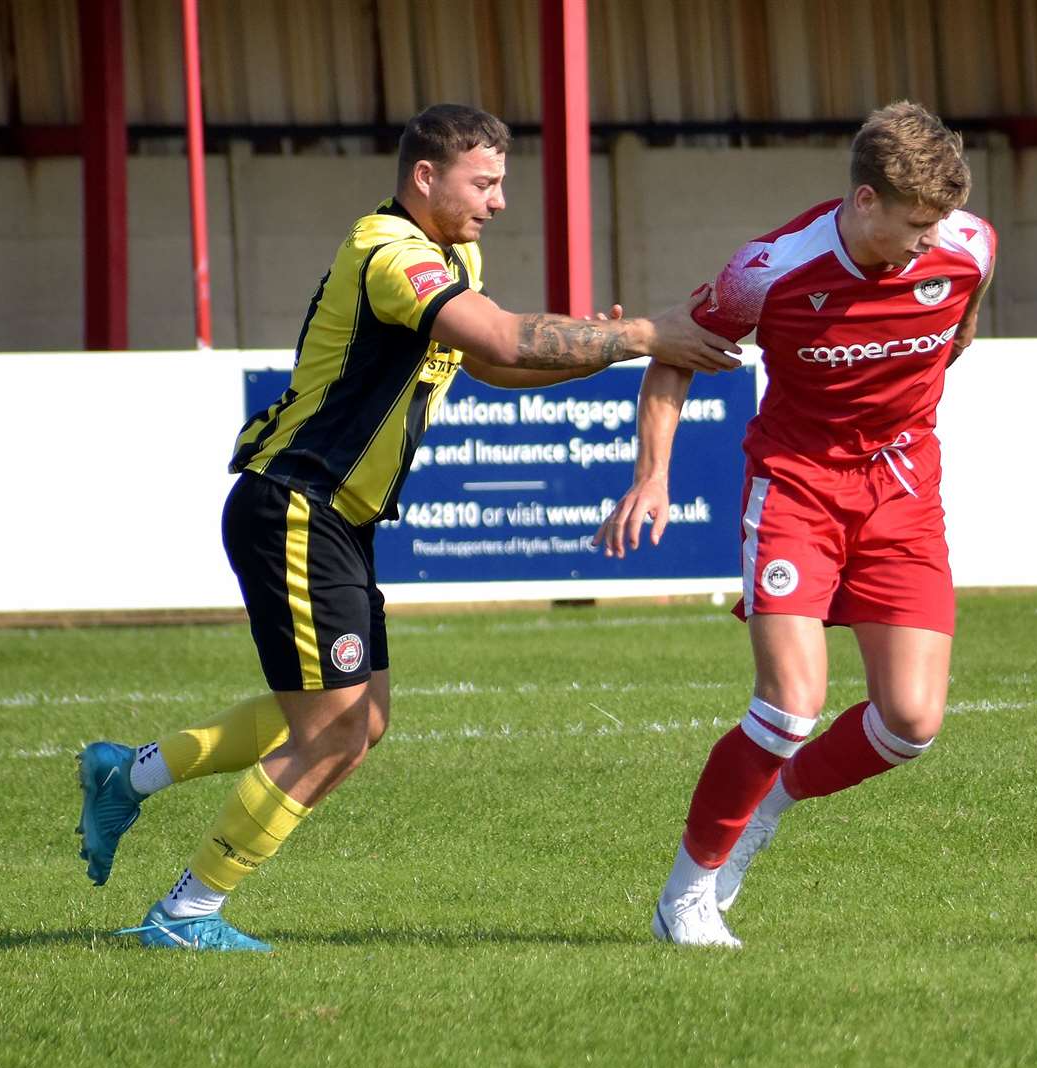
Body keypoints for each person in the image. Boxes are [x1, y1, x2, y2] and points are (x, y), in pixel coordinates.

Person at [76, 103, 739, 952]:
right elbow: (501, 333)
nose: (499, 201)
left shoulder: (453, 251)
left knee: (356, 720)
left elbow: (494, 363)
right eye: (485, 182)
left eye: (503, 183)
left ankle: (126, 777)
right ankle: (185, 912)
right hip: (296, 503)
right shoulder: (388, 253)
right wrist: (639, 332)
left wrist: (613, 346)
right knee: (335, 730)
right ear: (425, 176)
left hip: (333, 518)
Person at [595, 101, 996, 947]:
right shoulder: (771, 270)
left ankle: (771, 799)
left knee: (911, 724)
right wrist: (653, 475)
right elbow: (675, 350)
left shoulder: (968, 246)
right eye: (914, 224)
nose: (930, 241)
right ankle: (687, 895)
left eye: (940, 224)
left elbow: (961, 315)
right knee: (789, 706)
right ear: (863, 202)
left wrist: (940, 352)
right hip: (798, 491)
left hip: (902, 490)